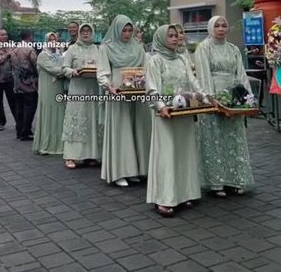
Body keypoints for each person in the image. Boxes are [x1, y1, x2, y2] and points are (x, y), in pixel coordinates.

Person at [146, 24, 204, 217]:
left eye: (174, 35)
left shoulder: (181, 59)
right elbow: (151, 88)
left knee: (184, 151)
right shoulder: (155, 61)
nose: (173, 38)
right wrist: (160, 106)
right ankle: (165, 198)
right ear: (162, 38)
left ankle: (186, 193)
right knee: (168, 154)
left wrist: (203, 96)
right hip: (166, 113)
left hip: (184, 112)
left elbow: (192, 81)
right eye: (169, 36)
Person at [194, 16, 255, 197]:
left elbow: (241, 74)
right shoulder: (203, 48)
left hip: (233, 97)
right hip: (214, 97)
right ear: (211, 28)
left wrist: (246, 99)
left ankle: (236, 179)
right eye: (217, 26)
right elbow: (203, 75)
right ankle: (216, 182)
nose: (221, 29)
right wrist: (211, 98)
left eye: (224, 25)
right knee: (214, 138)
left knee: (234, 138)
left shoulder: (233, 49)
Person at [98, 15, 151, 187]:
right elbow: (103, 71)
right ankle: (120, 171)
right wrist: (108, 86)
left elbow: (145, 67)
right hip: (118, 91)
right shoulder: (106, 47)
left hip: (137, 90)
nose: (127, 34)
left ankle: (135, 170)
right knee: (121, 130)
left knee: (138, 128)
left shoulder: (138, 47)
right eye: (124, 30)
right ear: (116, 29)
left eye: (130, 30)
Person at [62, 23, 102, 168]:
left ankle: (90, 155)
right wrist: (73, 72)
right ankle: (71, 156)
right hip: (78, 89)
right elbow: (64, 68)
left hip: (93, 89)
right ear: (79, 33)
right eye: (83, 31)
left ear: (92, 33)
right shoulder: (72, 49)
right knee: (77, 119)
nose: (86, 34)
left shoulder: (97, 49)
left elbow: (102, 66)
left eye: (88, 31)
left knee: (92, 119)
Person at [32, 32, 66, 155]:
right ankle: (46, 144)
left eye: (55, 39)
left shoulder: (60, 54)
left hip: (59, 87)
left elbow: (63, 66)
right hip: (48, 88)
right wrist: (67, 71)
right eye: (50, 40)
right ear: (46, 41)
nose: (53, 42)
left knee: (60, 112)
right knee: (48, 112)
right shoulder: (42, 55)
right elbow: (54, 69)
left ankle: (59, 143)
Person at [10, 30, 39, 141]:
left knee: (19, 108)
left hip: (16, 83)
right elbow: (35, 64)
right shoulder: (29, 49)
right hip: (28, 83)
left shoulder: (14, 49)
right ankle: (25, 132)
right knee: (30, 107)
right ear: (29, 37)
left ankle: (19, 130)